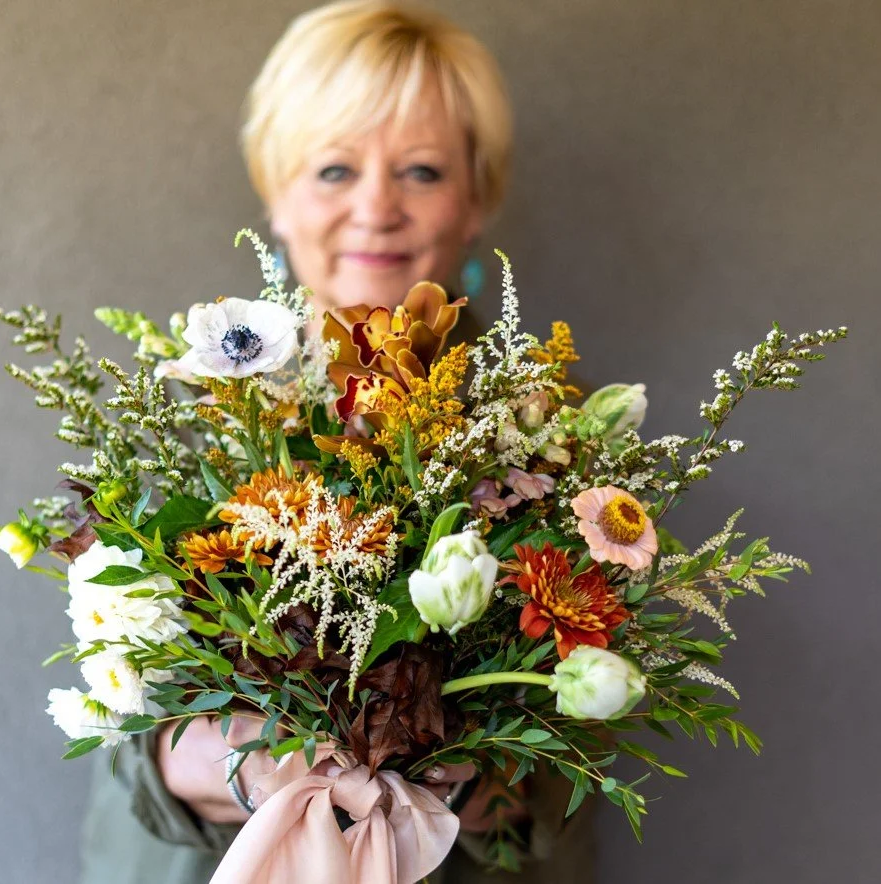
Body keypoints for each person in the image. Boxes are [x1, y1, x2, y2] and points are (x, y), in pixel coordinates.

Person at [78, 3, 597, 882]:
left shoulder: (547, 434)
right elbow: (119, 705)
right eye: (334, 169)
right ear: (277, 199)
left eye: (421, 170)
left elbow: (582, 742)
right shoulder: (189, 413)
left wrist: (476, 773)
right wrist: (226, 767)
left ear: (477, 200)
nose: (375, 208)